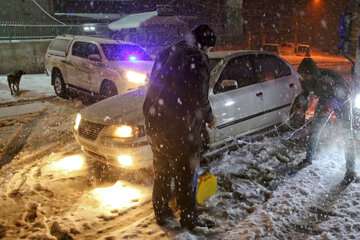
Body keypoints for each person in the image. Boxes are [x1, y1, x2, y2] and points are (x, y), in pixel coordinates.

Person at [143, 24, 216, 229]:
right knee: (186, 174)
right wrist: (209, 118)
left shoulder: (167, 52)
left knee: (163, 170)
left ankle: (162, 211)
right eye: (209, 48)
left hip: (154, 120)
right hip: (180, 127)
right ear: (204, 45)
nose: (209, 52)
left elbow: (156, 85)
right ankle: (189, 218)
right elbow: (199, 98)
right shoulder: (197, 58)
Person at [299, 58, 356, 181]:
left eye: (305, 75)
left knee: (347, 136)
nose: (303, 78)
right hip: (325, 102)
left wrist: (332, 104)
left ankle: (350, 171)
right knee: (315, 130)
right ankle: (309, 158)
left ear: (311, 73)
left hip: (343, 103)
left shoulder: (329, 78)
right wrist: (303, 102)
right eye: (302, 75)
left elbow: (343, 93)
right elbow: (306, 92)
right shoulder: (307, 80)